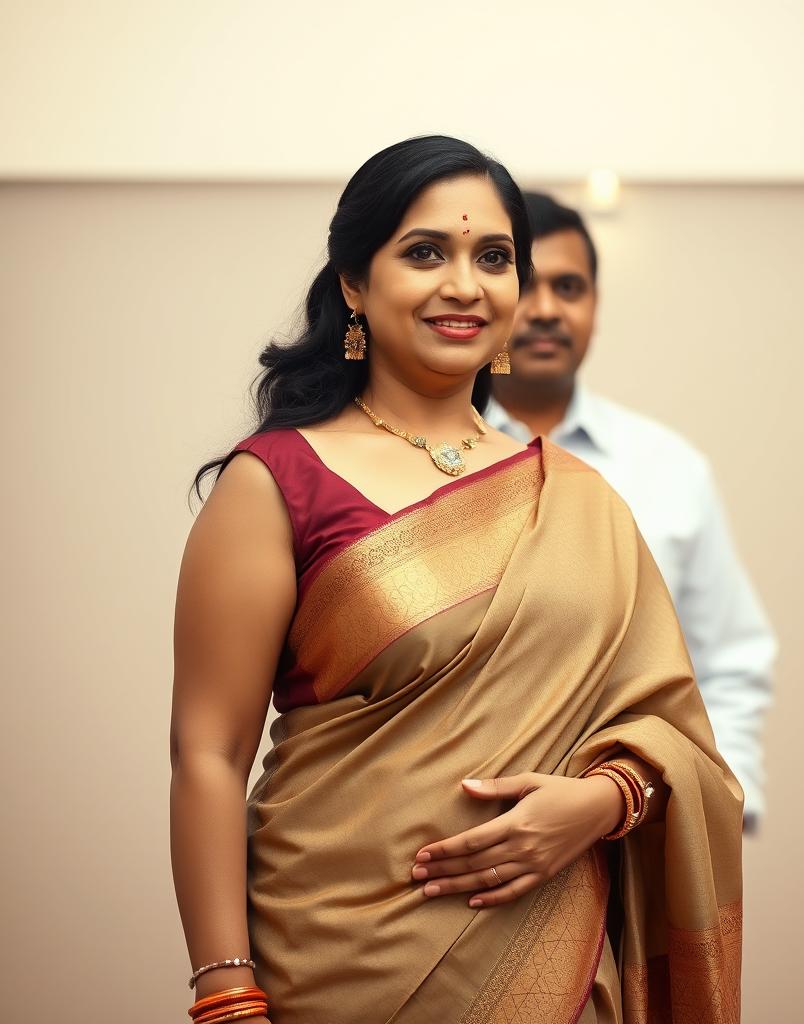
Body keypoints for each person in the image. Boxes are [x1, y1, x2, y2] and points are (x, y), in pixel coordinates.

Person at [169, 136, 743, 1024]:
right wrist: (225, 987)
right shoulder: (276, 480)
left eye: (494, 258)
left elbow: (677, 742)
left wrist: (601, 802)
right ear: (354, 284)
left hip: (553, 964)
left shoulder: (578, 500)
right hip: (329, 965)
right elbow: (206, 753)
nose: (465, 286)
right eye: (425, 252)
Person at [489, 192, 777, 831]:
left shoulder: (670, 469)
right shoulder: (421, 458)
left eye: (570, 288)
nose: (544, 310)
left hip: (635, 824)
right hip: (454, 817)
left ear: (595, 306)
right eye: (526, 284)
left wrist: (720, 799)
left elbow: (729, 657)